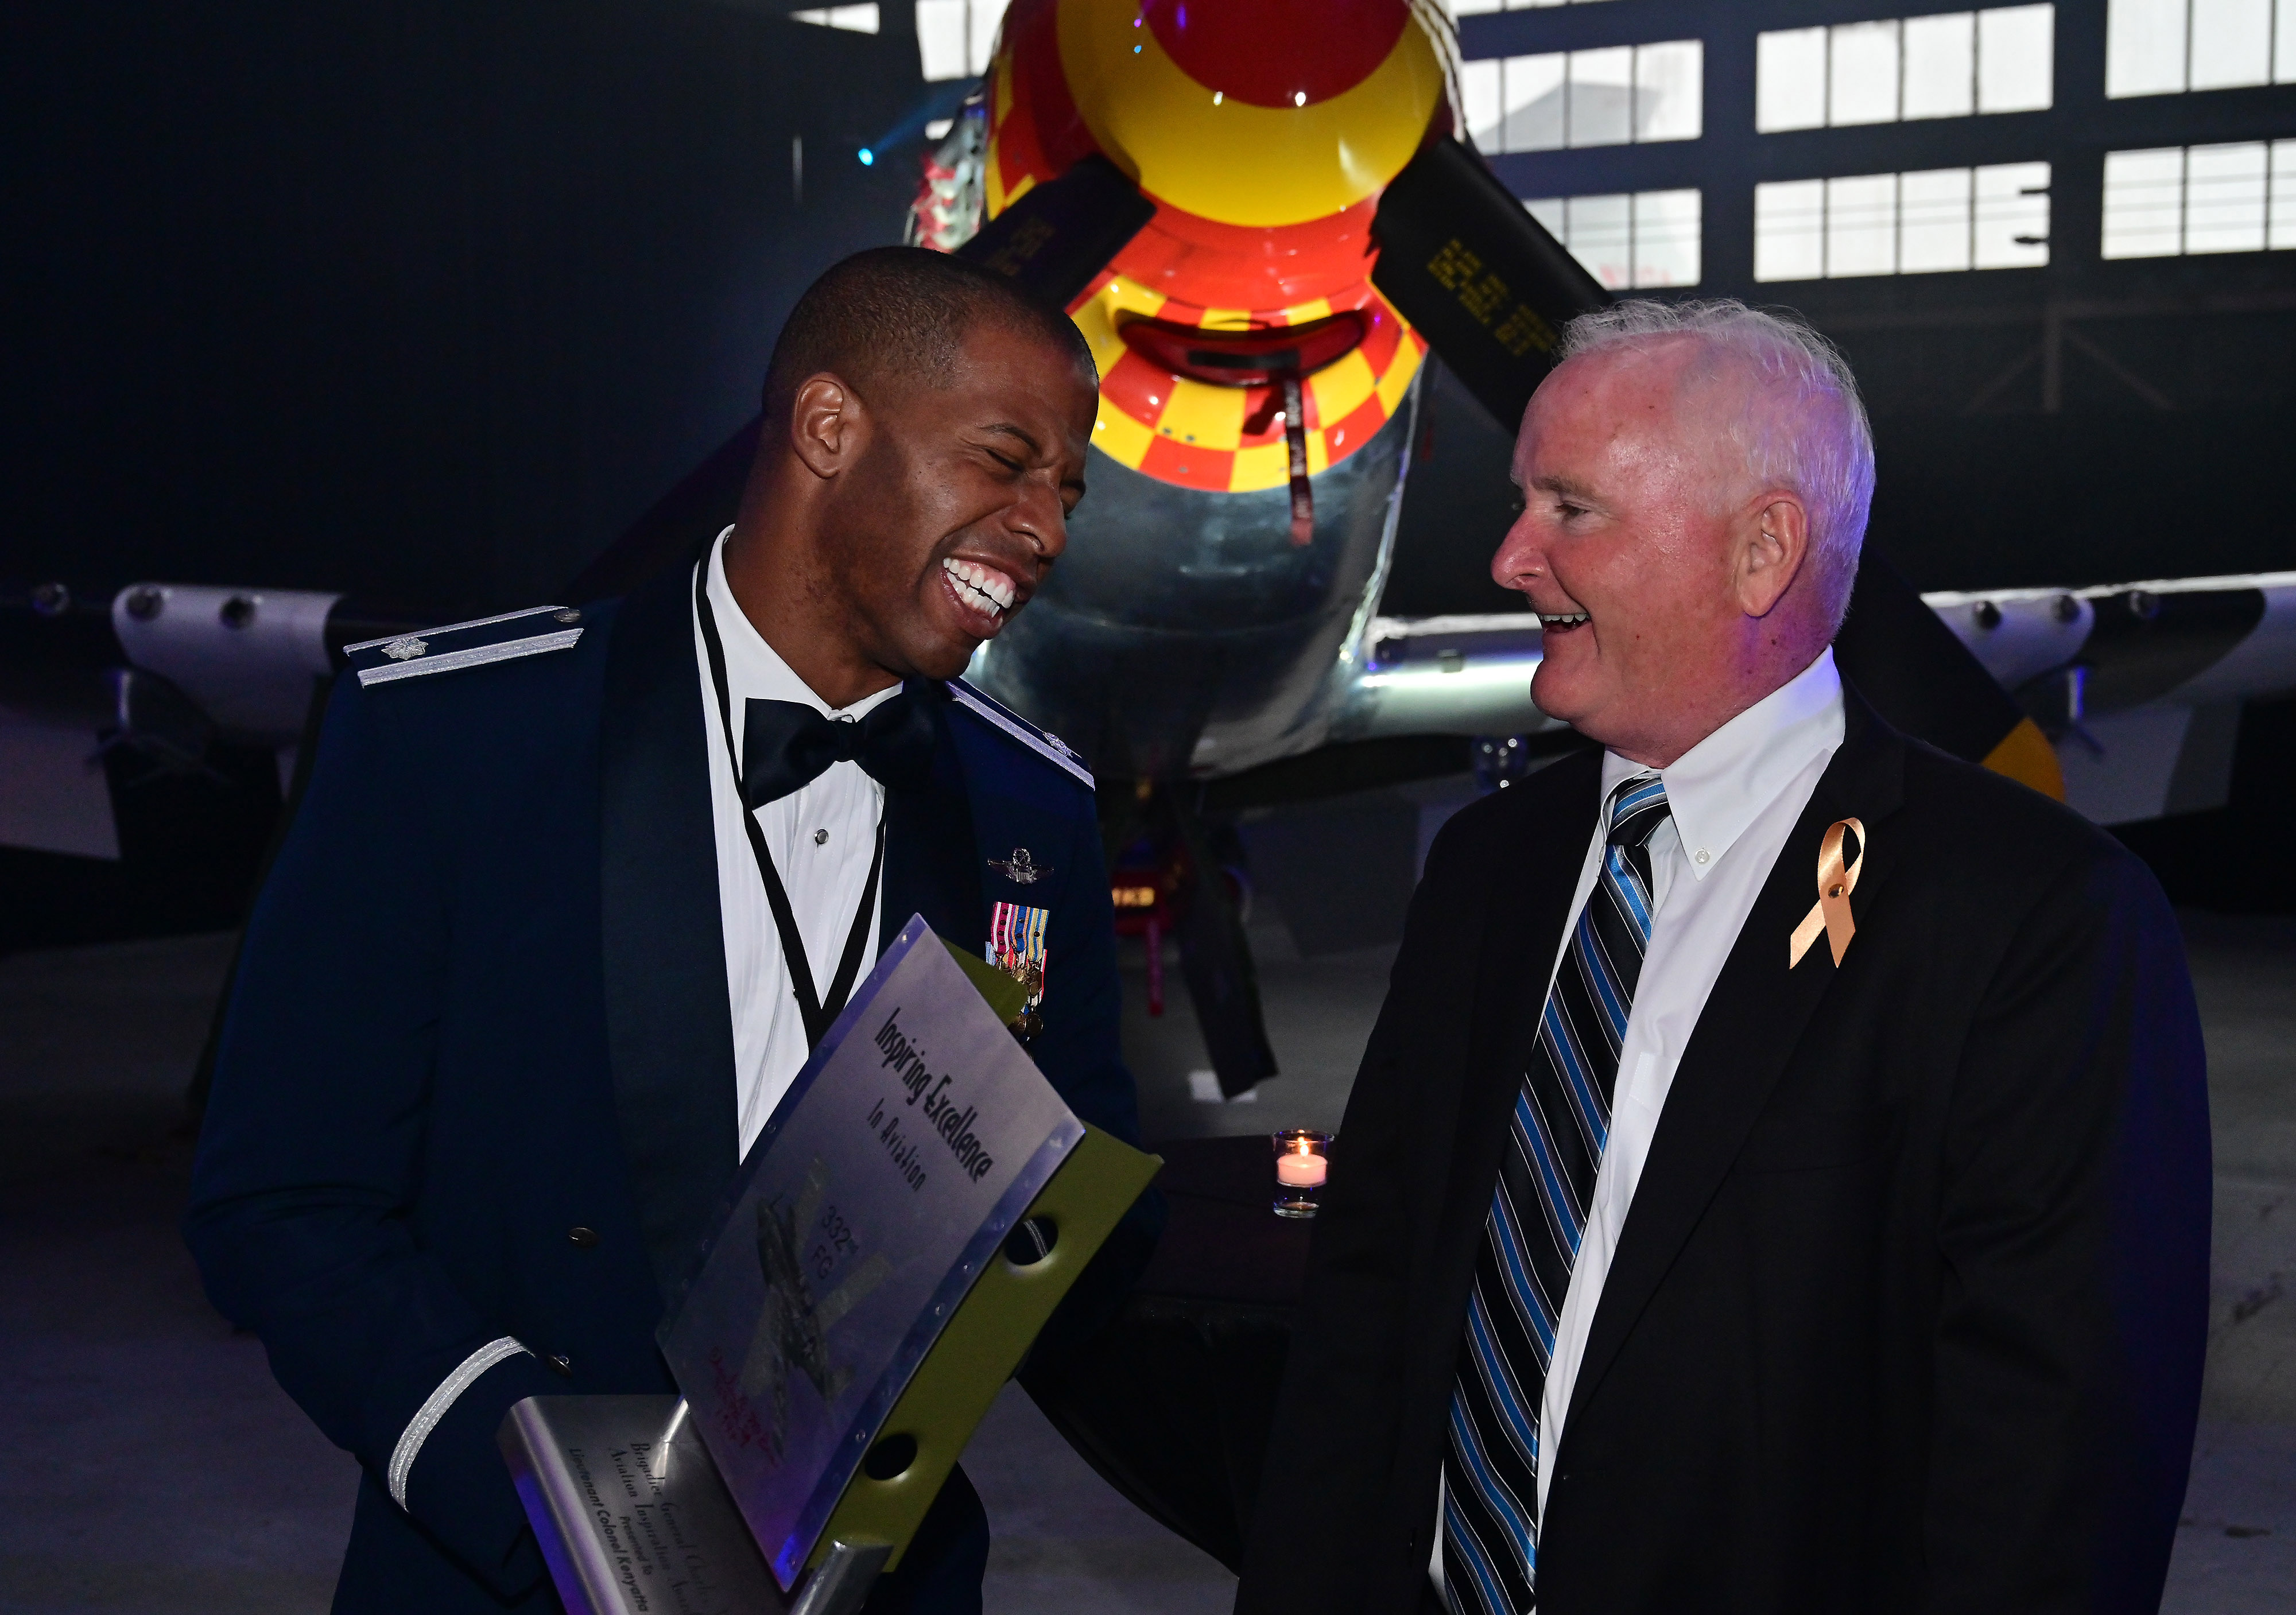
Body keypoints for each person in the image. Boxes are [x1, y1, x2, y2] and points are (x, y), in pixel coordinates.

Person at [184, 246, 1156, 1614]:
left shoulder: (1030, 810)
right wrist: (552, 1496)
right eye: (1005, 461)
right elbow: (281, 1203)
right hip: (512, 1572)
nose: (1045, 527)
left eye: (1066, 490)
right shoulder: (455, 739)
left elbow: (1082, 1209)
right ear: (828, 427)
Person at [1234, 300, 2210, 1614]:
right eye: (1522, 503)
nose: (1510, 557)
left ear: (1760, 552)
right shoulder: (1484, 870)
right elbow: (1363, 1323)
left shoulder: (2033, 920)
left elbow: (2054, 1480)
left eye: (1570, 509)